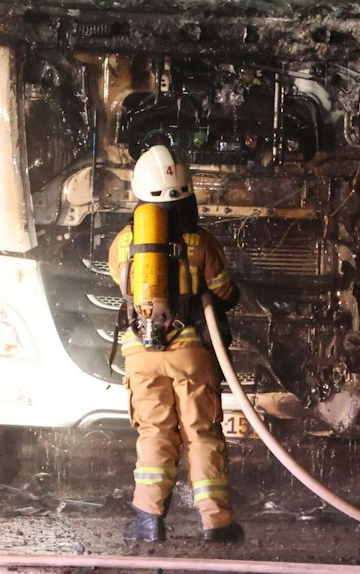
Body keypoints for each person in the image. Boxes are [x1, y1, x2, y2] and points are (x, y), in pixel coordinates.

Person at [106, 144, 244, 544]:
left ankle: (148, 520)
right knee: (201, 433)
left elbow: (125, 286)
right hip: (190, 354)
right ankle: (216, 523)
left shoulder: (123, 243)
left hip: (140, 355)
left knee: (154, 432)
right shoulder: (199, 242)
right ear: (186, 191)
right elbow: (224, 291)